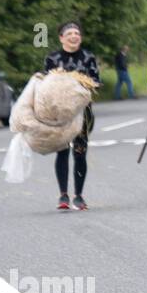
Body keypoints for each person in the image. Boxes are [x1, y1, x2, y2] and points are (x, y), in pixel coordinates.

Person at [44, 22, 100, 211]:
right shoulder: (52, 58)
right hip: (60, 113)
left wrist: (81, 84)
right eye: (69, 33)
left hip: (82, 112)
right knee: (62, 151)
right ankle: (63, 195)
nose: (74, 36)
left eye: (77, 33)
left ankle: (79, 195)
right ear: (61, 38)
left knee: (80, 152)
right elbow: (46, 85)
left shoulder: (88, 57)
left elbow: (96, 81)